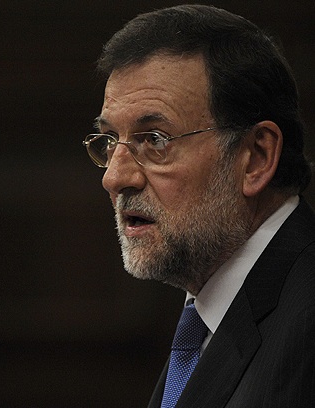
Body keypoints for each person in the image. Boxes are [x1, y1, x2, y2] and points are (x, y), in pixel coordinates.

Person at [82, 4, 315, 407]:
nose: (115, 178)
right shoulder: (206, 315)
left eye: (154, 139)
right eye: (109, 141)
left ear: (256, 158)